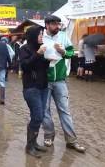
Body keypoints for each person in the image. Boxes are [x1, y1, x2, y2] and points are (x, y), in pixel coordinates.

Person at [42, 15, 86, 153]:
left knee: (64, 110)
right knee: (45, 110)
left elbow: (71, 52)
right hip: (44, 80)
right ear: (47, 25)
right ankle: (49, 135)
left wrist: (64, 52)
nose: (57, 26)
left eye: (58, 24)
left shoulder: (63, 36)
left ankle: (72, 140)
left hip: (60, 80)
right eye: (54, 24)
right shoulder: (41, 37)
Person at [19, 26, 49, 158]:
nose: (42, 36)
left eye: (42, 34)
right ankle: (29, 146)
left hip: (43, 86)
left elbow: (42, 66)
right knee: (37, 116)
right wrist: (38, 54)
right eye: (40, 34)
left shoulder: (42, 46)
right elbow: (25, 65)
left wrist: (49, 58)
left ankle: (34, 143)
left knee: (40, 116)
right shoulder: (24, 49)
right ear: (33, 35)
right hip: (31, 87)